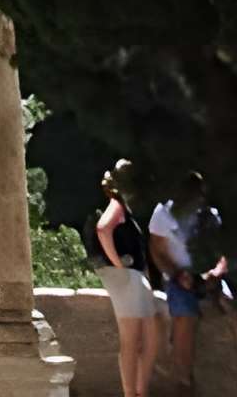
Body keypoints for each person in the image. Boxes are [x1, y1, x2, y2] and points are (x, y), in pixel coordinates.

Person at [148, 173, 237, 395]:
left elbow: (223, 251)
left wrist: (216, 272)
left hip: (210, 276)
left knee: (236, 311)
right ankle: (184, 381)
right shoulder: (163, 214)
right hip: (179, 278)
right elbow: (156, 251)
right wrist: (176, 274)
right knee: (184, 318)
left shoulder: (209, 216)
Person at [84, 160, 161, 397]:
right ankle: (130, 393)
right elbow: (103, 229)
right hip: (125, 277)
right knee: (131, 341)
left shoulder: (125, 208)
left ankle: (140, 391)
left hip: (133, 277)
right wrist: (118, 265)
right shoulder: (117, 205)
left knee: (149, 337)